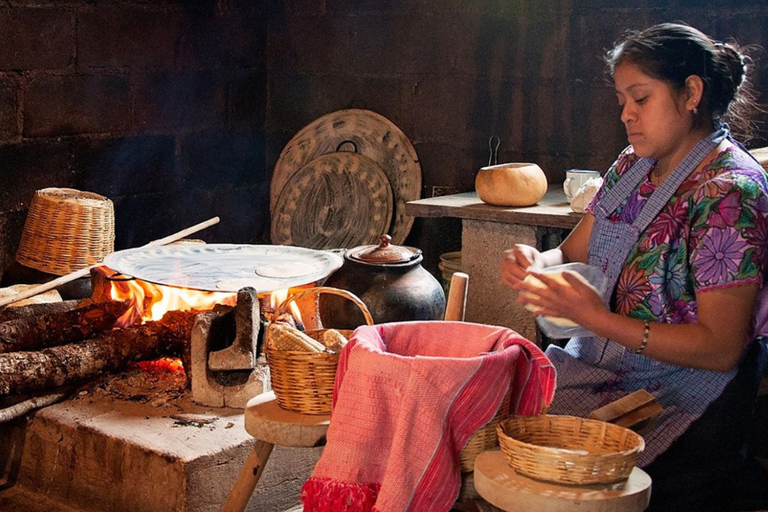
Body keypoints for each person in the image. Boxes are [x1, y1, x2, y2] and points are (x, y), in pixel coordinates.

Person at [500, 22, 768, 511]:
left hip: (688, 392)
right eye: (622, 99)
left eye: (640, 98)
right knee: (505, 435)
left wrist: (599, 320)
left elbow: (721, 348)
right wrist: (539, 261)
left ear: (691, 92)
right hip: (602, 367)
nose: (626, 114)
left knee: (577, 486)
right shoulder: (631, 167)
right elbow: (573, 252)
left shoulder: (730, 193)